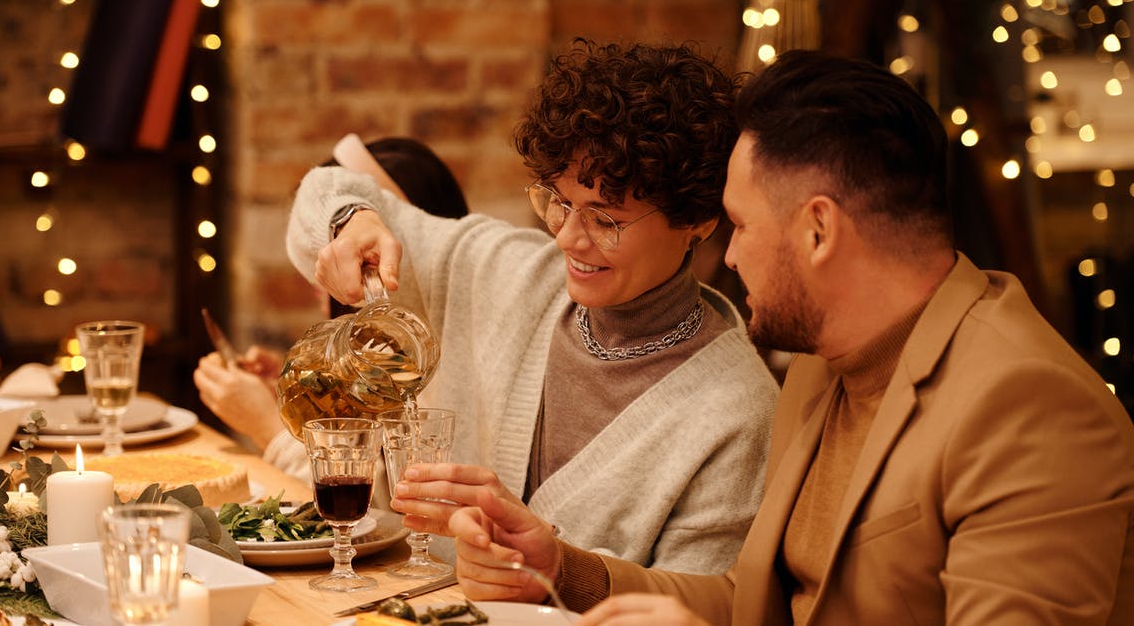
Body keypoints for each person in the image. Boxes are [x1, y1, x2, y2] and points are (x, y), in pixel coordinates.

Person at [439, 49, 1134, 624]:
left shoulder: (1030, 408)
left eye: (741, 225)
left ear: (818, 230)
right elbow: (752, 602)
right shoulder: (821, 365)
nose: (732, 254)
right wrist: (561, 568)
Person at [286, 40, 779, 574]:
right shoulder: (506, 272)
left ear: (698, 221)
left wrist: (558, 568)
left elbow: (692, 602)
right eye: (558, 203)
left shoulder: (736, 411)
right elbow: (326, 186)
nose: (568, 238)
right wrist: (353, 222)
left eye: (605, 220)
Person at [193, 134, 469, 479]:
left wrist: (269, 429)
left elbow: (382, 498)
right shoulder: (391, 357)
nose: (317, 277)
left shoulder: (446, 369)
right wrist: (317, 389)